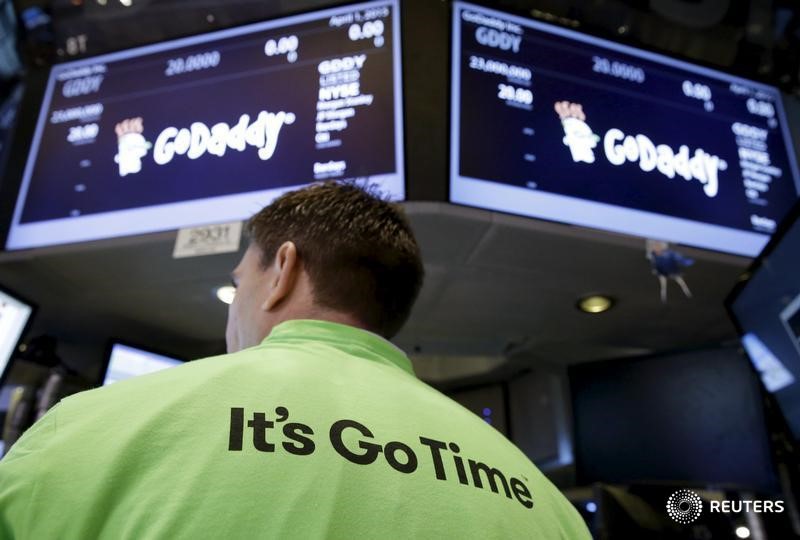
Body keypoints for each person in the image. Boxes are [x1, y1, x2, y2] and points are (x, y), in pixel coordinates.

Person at [0, 182, 591, 539]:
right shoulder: (540, 497)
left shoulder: (91, 428)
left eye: (239, 284)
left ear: (282, 270)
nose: (232, 311)